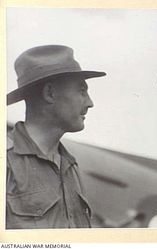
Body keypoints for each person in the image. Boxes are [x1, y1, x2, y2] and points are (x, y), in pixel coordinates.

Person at [6, 45, 106, 229]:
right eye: (81, 91)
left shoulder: (69, 165)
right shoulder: (6, 162)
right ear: (49, 93)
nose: (90, 103)